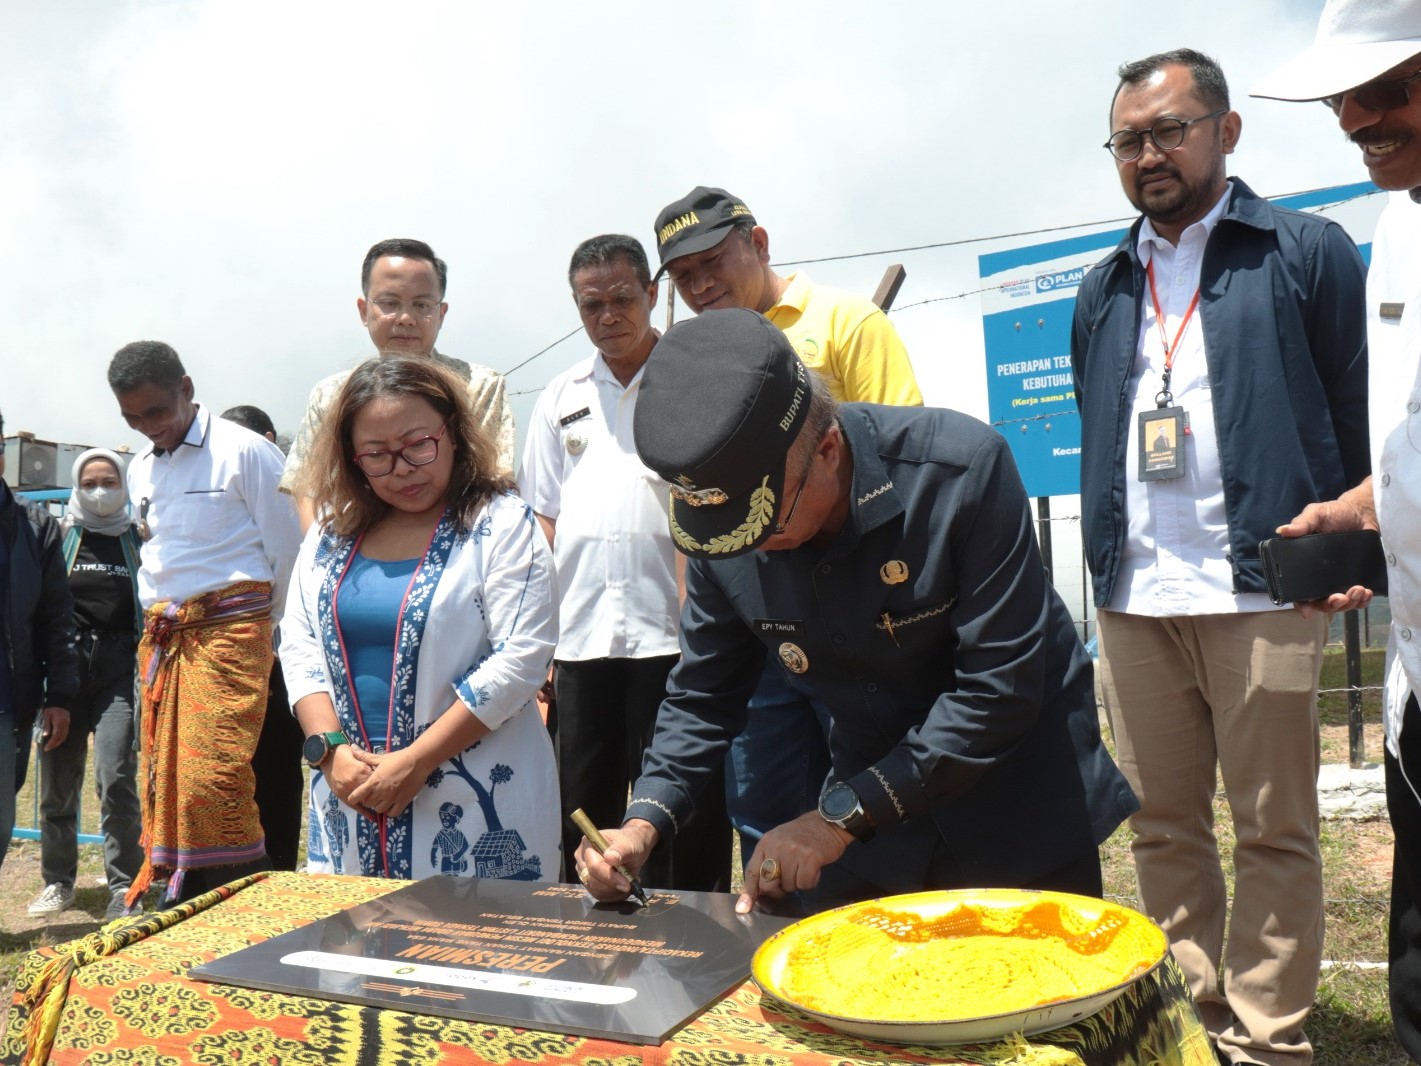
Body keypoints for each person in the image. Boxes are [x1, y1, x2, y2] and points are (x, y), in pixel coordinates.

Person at [575, 309, 1137, 917]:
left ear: (828, 448)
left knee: (1042, 999)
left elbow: (997, 692)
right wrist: (642, 821)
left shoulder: (958, 473)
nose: (750, 548)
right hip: (876, 824)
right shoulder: (727, 535)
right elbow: (704, 694)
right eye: (727, 532)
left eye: (768, 522)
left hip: (1017, 804)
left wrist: (835, 819)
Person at [1072, 48, 1370, 1065]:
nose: (1146, 154)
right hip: (1132, 600)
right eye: (1126, 140)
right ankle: (1190, 1026)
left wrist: (1347, 547)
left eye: (1167, 130)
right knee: (1159, 826)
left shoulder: (1303, 249)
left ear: (1225, 131)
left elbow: (1350, 406)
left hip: (1265, 590)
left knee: (1273, 826)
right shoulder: (1103, 285)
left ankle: (1268, 1037)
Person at [652, 186, 924, 866]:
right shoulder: (691, 363)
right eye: (683, 277)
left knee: (864, 794)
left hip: (856, 619)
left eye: (712, 261)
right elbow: (696, 502)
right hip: (758, 619)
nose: (701, 283)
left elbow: (902, 455)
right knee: (763, 802)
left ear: (760, 242)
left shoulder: (846, 322)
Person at [1253, 4, 1421, 1059]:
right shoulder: (1396, 221)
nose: (1356, 117)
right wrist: (1358, 509)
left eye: (1387, 88)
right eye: (1340, 98)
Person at [280, 355, 559, 880]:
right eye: (377, 455)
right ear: (351, 458)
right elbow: (298, 645)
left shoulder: (502, 525)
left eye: (418, 445)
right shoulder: (328, 536)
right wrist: (330, 752)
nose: (403, 468)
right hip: (349, 797)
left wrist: (418, 760)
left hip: (476, 804)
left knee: (469, 956)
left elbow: (521, 659)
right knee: (351, 955)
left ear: (452, 432)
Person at [518, 234, 731, 891]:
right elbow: (541, 514)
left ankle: (696, 932)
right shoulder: (561, 396)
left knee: (682, 803)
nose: (607, 315)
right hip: (582, 638)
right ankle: (593, 939)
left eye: (620, 299)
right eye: (591, 304)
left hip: (674, 635)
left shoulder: (693, 380)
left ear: (652, 293)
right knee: (582, 802)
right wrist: (544, 637)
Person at [107, 341, 302, 905]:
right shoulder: (140, 466)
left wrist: (274, 640)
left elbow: (290, 553)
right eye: (133, 418)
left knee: (211, 779)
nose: (149, 427)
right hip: (167, 640)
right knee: (165, 779)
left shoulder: (247, 452)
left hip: (235, 636)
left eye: (157, 412)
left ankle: (243, 896)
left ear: (187, 390)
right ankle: (184, 892)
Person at [282, 238, 515, 532]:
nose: (405, 318)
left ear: (441, 314)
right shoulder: (330, 395)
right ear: (363, 310)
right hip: (358, 556)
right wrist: (322, 556)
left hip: (456, 552)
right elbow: (309, 490)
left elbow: (493, 481)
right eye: (390, 303)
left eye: (421, 305)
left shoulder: (479, 385)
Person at [26, 449, 144, 920]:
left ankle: (123, 886)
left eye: (109, 481)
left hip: (118, 672)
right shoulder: (59, 538)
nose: (100, 490)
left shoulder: (136, 540)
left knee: (116, 778)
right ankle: (58, 882)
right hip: (66, 672)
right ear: (76, 485)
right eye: (91, 481)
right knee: (57, 784)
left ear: (123, 485)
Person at [219, 404, 303, 873]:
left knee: (275, 771)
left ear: (268, 440)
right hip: (227, 659)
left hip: (276, 651)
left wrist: (264, 633)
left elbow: (290, 565)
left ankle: (275, 874)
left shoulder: (290, 491)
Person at [0, 407, 78, 877]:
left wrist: (60, 695)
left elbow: (56, 615)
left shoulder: (32, 526)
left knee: (1, 818)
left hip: (8, 700)